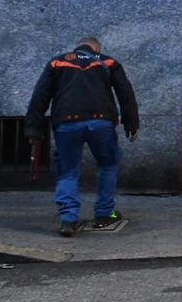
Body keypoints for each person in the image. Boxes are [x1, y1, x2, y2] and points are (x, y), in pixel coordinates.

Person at [25, 37, 140, 237]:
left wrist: (34, 130)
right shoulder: (108, 62)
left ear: (77, 46)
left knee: (68, 171)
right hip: (101, 122)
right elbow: (126, 93)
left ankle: (68, 219)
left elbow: (39, 97)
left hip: (66, 122)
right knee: (108, 165)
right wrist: (131, 123)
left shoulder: (57, 62)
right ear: (98, 48)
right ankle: (104, 213)